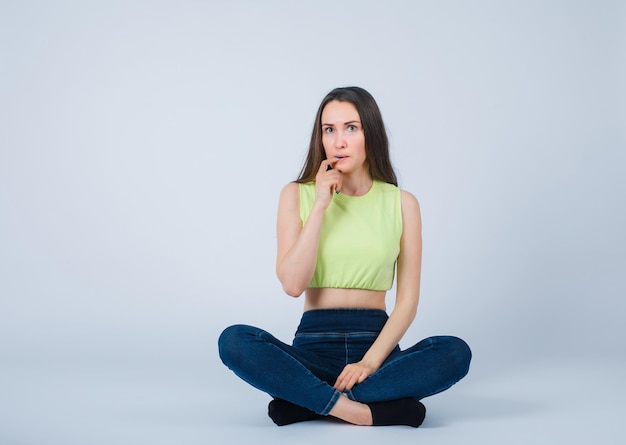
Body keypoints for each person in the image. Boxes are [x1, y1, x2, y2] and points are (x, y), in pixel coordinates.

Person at [218, 86, 471, 427]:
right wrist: (321, 204)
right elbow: (293, 285)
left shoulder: (402, 203)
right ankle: (365, 410)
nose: (339, 141)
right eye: (329, 130)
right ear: (320, 137)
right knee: (235, 341)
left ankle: (309, 400)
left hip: (377, 351)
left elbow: (408, 302)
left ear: (371, 134)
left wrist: (368, 364)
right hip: (313, 349)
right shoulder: (297, 195)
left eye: (351, 128)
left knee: (455, 352)